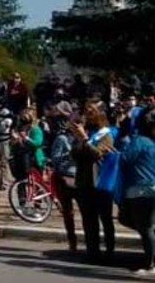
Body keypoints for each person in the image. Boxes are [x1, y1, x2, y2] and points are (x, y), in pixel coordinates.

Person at [72, 106, 116, 264]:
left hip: (100, 183)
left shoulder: (106, 135)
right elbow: (75, 155)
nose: (87, 119)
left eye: (90, 115)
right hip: (84, 182)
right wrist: (78, 140)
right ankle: (93, 251)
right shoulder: (88, 134)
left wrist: (84, 139)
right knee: (88, 219)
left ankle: (109, 252)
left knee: (105, 218)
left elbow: (98, 154)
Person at [120, 113, 155, 275]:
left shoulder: (140, 141)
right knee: (148, 226)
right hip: (149, 188)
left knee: (145, 227)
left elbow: (125, 159)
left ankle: (151, 264)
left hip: (141, 189)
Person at [48, 112, 79, 253]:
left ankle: (91, 245)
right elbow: (55, 159)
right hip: (65, 178)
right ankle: (72, 242)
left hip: (81, 178)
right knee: (68, 212)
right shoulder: (62, 139)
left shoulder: (85, 139)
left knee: (86, 212)